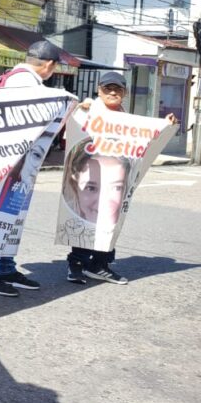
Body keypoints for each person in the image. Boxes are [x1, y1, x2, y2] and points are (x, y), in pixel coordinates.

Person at [64, 71, 176, 286]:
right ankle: (77, 264)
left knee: (111, 220)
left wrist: (165, 124)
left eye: (117, 89)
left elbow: (145, 135)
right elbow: (71, 135)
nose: (112, 92)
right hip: (91, 178)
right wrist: (80, 109)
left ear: (124, 92)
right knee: (85, 219)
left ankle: (99, 264)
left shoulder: (124, 116)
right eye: (108, 88)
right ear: (99, 90)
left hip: (115, 179)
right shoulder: (90, 109)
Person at [0, 39, 61, 297]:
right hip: (11, 168)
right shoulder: (25, 84)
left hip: (18, 168)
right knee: (1, 220)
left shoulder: (19, 79)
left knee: (12, 222)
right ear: (50, 65)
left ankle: (5, 268)